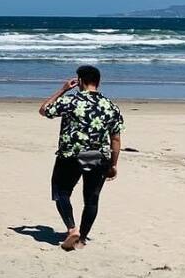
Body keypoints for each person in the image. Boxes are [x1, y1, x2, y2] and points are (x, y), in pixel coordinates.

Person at [39, 65, 124, 251]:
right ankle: (82, 239)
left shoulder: (71, 100)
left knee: (61, 191)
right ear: (98, 82)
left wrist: (62, 90)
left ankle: (72, 229)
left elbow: (44, 110)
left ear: (79, 81)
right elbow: (116, 139)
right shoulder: (111, 106)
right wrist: (113, 164)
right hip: (99, 156)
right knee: (92, 200)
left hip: (71, 154)